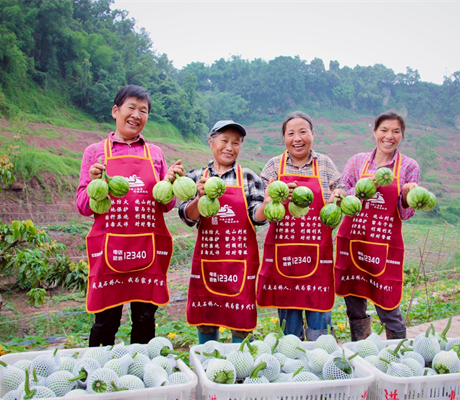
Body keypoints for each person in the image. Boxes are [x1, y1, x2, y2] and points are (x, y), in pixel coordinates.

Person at [76, 85, 184, 346]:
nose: (137, 115)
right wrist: (95, 186)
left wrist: (169, 183)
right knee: (105, 321)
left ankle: (143, 376)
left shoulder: (155, 154)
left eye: (143, 110)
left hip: (147, 249)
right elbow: (82, 205)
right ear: (116, 111)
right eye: (131, 108)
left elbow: (166, 205)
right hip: (110, 249)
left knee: (146, 319)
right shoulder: (94, 152)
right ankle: (98, 376)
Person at [256, 111, 347, 341]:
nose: (297, 138)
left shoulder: (324, 163)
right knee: (290, 331)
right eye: (291, 133)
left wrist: (339, 194)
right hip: (284, 258)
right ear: (284, 138)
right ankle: (291, 362)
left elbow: (342, 186)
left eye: (303, 132)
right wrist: (271, 197)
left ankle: (319, 360)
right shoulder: (273, 165)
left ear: (313, 135)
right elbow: (260, 200)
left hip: (318, 257)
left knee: (320, 328)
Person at [178, 120, 267, 344]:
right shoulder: (196, 176)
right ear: (211, 141)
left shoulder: (248, 177)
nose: (229, 147)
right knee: (206, 318)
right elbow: (187, 217)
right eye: (224, 140)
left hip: (240, 262)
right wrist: (199, 199)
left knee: (240, 320)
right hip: (208, 262)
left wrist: (269, 204)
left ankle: (240, 368)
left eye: (236, 143)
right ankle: (209, 366)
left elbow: (257, 217)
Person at [335, 110, 420, 341]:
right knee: (354, 303)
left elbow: (406, 213)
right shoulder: (357, 161)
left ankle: (398, 355)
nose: (389, 136)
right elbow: (342, 197)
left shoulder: (409, 167)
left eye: (396, 131)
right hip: (353, 242)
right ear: (375, 132)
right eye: (384, 130)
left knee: (388, 302)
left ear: (402, 135)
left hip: (383, 245)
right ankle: (362, 351)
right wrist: (362, 187)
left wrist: (405, 195)